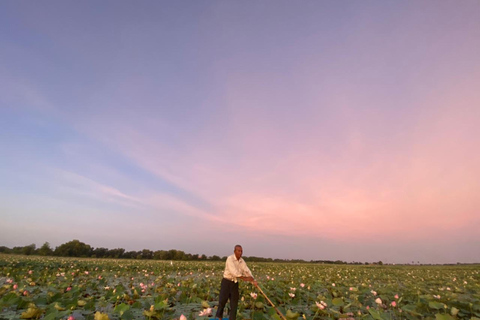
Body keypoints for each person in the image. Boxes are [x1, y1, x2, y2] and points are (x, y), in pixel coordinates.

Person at [216, 245, 257, 320]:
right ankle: (219, 318)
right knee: (222, 301)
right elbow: (234, 272)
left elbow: (246, 270)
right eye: (238, 251)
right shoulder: (230, 259)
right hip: (226, 282)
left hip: (234, 284)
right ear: (234, 251)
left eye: (241, 251)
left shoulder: (242, 261)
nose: (240, 252)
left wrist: (252, 279)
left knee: (234, 304)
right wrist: (245, 278)